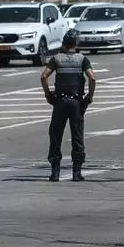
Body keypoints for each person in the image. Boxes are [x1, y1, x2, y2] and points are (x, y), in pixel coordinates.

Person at [40, 28, 97, 182]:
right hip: (76, 102)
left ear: (64, 43)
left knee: (55, 135)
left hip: (60, 102)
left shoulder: (57, 59)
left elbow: (44, 76)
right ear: (76, 44)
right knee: (77, 136)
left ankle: (55, 173)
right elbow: (92, 78)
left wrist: (48, 94)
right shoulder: (82, 59)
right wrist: (89, 96)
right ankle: (77, 173)